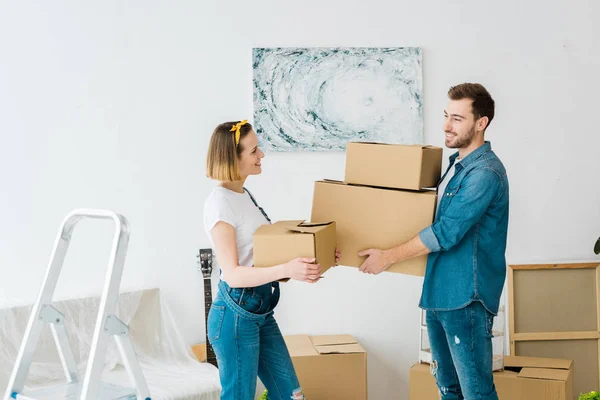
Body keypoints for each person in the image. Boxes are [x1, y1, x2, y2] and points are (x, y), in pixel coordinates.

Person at [357, 83, 509, 400]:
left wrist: (388, 256)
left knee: (476, 393)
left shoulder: (485, 173)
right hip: (438, 294)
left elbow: (446, 232)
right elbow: (423, 217)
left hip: (465, 298)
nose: (446, 125)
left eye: (457, 118)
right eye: (445, 116)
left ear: (481, 123)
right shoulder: (455, 166)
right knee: (448, 390)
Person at [203, 119, 340, 400]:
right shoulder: (220, 203)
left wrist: (318, 256)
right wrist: (287, 268)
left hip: (260, 312)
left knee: (291, 395)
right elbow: (233, 274)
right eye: (253, 151)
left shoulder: (242, 195)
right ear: (233, 157)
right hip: (235, 316)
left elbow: (263, 255)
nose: (261, 155)